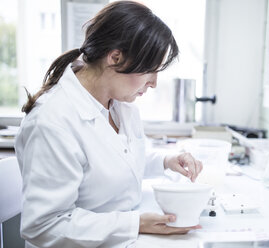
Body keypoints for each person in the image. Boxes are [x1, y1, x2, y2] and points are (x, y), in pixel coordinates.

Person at [15, 1, 203, 247]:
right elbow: (44, 226)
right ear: (116, 58)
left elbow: (115, 163)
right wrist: (135, 224)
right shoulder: (51, 122)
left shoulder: (119, 106)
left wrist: (166, 161)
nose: (154, 83)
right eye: (150, 71)